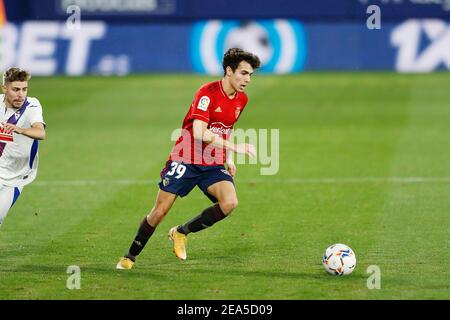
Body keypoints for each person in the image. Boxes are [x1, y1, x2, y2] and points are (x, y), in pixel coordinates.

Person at [116, 48, 261, 269]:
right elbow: (200, 132)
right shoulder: (207, 94)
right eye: (243, 73)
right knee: (159, 212)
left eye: (250, 74)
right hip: (186, 157)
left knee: (229, 202)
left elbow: (226, 128)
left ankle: (181, 232)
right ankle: (130, 256)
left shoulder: (242, 99)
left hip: (213, 160)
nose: (247, 79)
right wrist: (236, 147)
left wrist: (229, 158)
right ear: (229, 71)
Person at [0, 67, 46, 227]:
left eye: (24, 89)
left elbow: (40, 133)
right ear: (4, 88)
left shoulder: (31, 106)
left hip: (16, 177)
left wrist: (21, 129)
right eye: (16, 89)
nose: (21, 94)